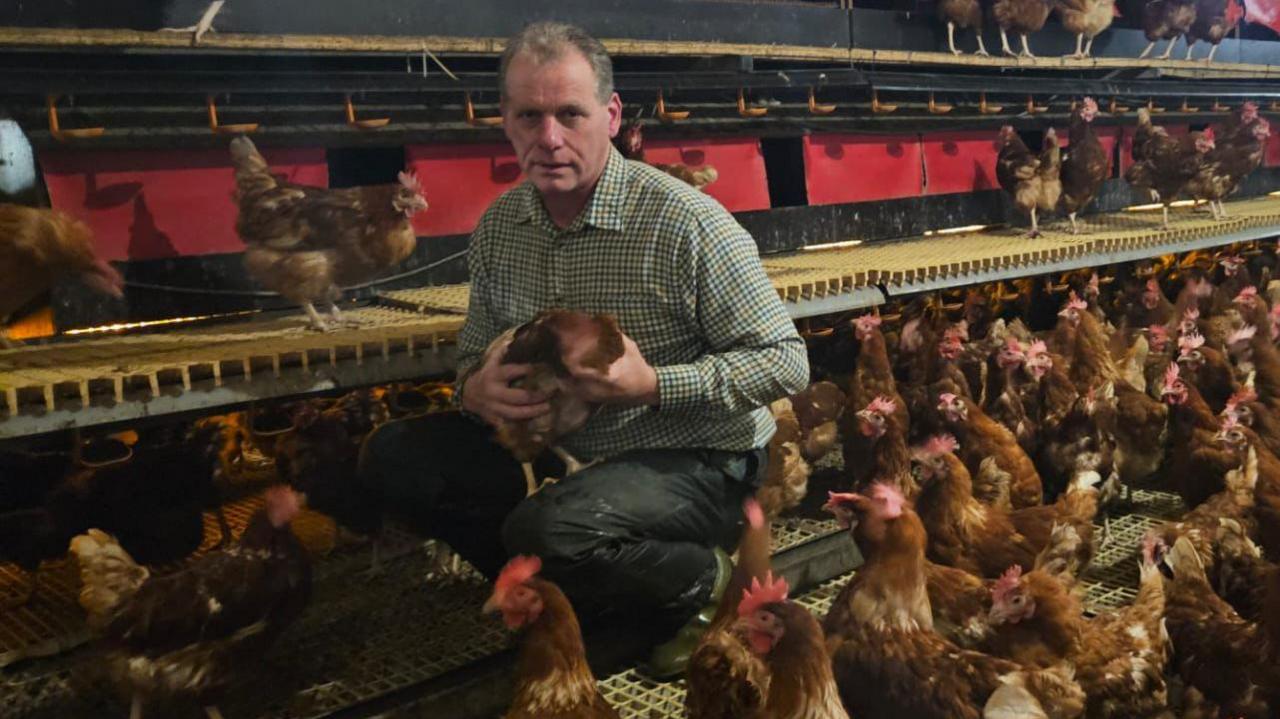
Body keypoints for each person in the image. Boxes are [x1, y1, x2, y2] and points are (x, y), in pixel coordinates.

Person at [359, 21, 808, 678]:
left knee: (548, 529)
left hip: (695, 454)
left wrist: (652, 382)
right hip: (563, 453)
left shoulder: (686, 222)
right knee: (391, 460)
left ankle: (697, 578)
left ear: (611, 113)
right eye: (529, 116)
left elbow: (785, 359)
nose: (548, 138)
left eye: (569, 114)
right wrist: (474, 387)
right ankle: (571, 590)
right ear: (504, 121)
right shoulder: (500, 226)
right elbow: (473, 353)